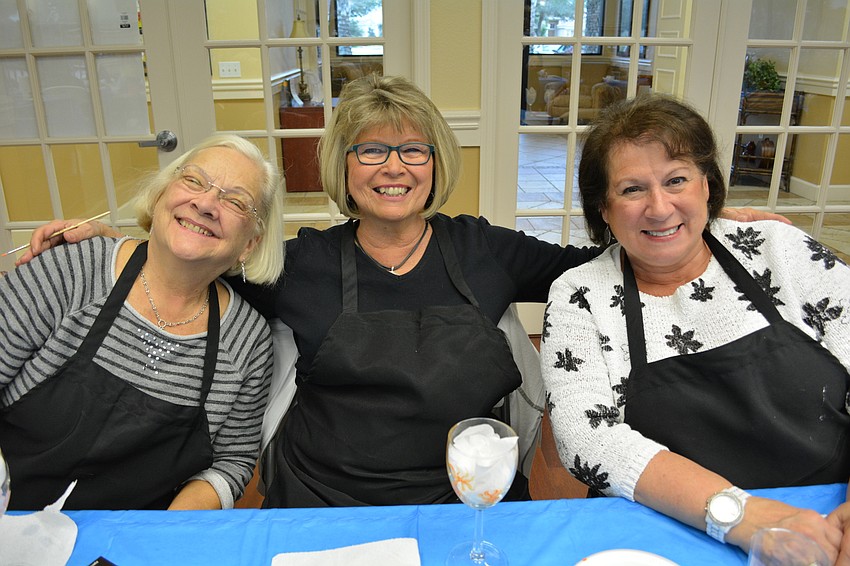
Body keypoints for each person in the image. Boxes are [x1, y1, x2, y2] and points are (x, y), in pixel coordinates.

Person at [19, 75, 784, 510]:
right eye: (371, 149)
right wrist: (111, 236)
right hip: (322, 505)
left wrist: (697, 223)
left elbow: (607, 259)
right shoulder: (300, 264)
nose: (394, 165)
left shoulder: (480, 247)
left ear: (433, 161)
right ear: (343, 168)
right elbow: (201, 248)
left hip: (473, 499)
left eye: (412, 148)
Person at [539, 94, 850, 561]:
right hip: (674, 529)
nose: (660, 208)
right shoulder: (579, 295)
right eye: (631, 190)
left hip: (832, 514)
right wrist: (742, 516)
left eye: (677, 180)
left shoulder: (776, 248)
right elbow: (587, 439)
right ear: (603, 209)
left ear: (707, 186)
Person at [0, 134, 285, 511]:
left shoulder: (246, 340)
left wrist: (159, 539)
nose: (206, 204)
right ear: (161, 195)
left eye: (235, 201)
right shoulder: (71, 271)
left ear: (250, 243)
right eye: (193, 181)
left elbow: (230, 464)